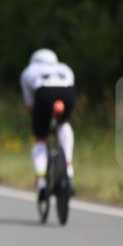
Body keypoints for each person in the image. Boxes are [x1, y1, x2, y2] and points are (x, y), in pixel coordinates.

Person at [20, 48, 76, 200]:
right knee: (64, 124)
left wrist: (38, 120)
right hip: (67, 93)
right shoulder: (64, 68)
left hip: (44, 93)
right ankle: (69, 168)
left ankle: (41, 180)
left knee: (40, 139)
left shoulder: (29, 71)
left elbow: (30, 105)